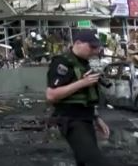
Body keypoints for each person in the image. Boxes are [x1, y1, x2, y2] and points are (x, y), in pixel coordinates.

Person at [46, 30, 112, 166]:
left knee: (84, 160)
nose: (95, 51)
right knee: (94, 161)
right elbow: (51, 95)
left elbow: (87, 96)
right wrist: (82, 82)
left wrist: (96, 118)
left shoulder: (83, 64)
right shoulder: (62, 63)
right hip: (71, 119)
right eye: (92, 47)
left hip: (86, 118)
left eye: (97, 48)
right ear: (78, 43)